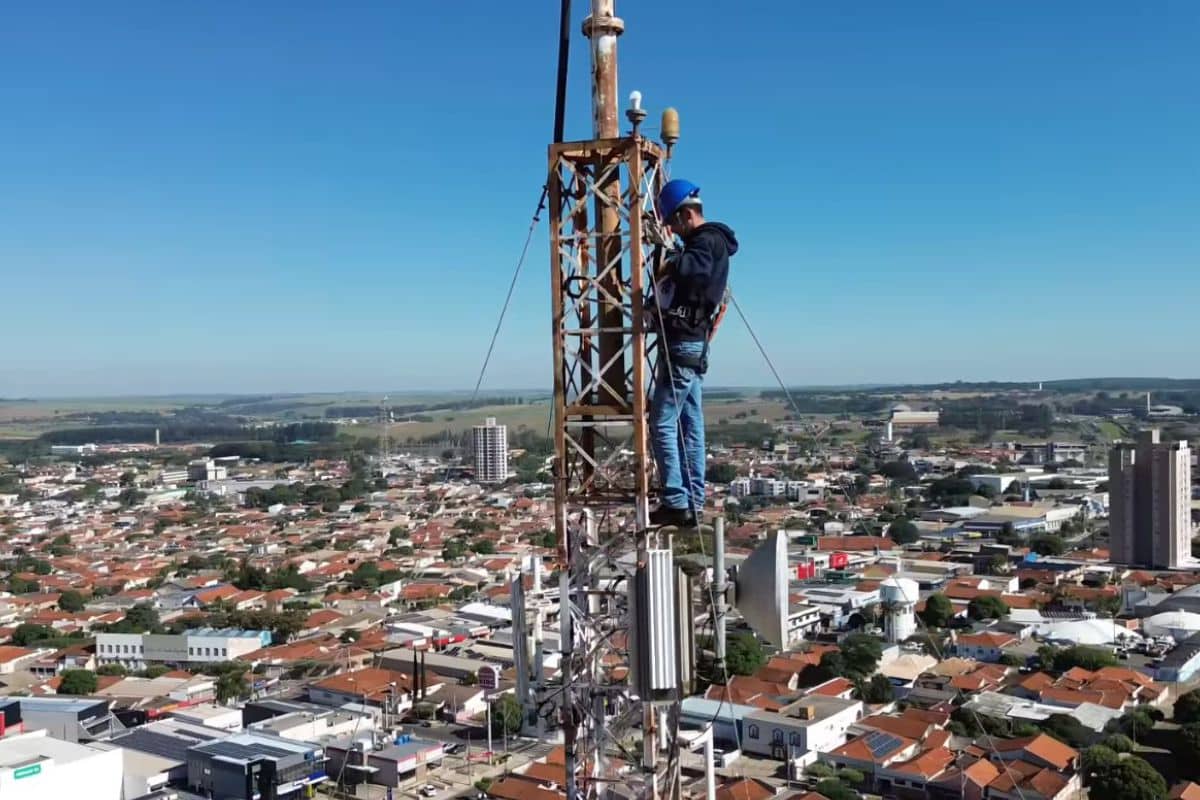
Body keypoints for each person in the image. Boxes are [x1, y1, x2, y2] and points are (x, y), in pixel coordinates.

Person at [648, 179, 738, 527]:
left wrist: (671, 253)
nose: (671, 229)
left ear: (686, 215)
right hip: (693, 343)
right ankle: (692, 500)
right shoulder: (712, 242)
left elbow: (695, 272)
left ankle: (676, 500)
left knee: (664, 422)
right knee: (689, 423)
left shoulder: (705, 241)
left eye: (673, 223)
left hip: (684, 341)